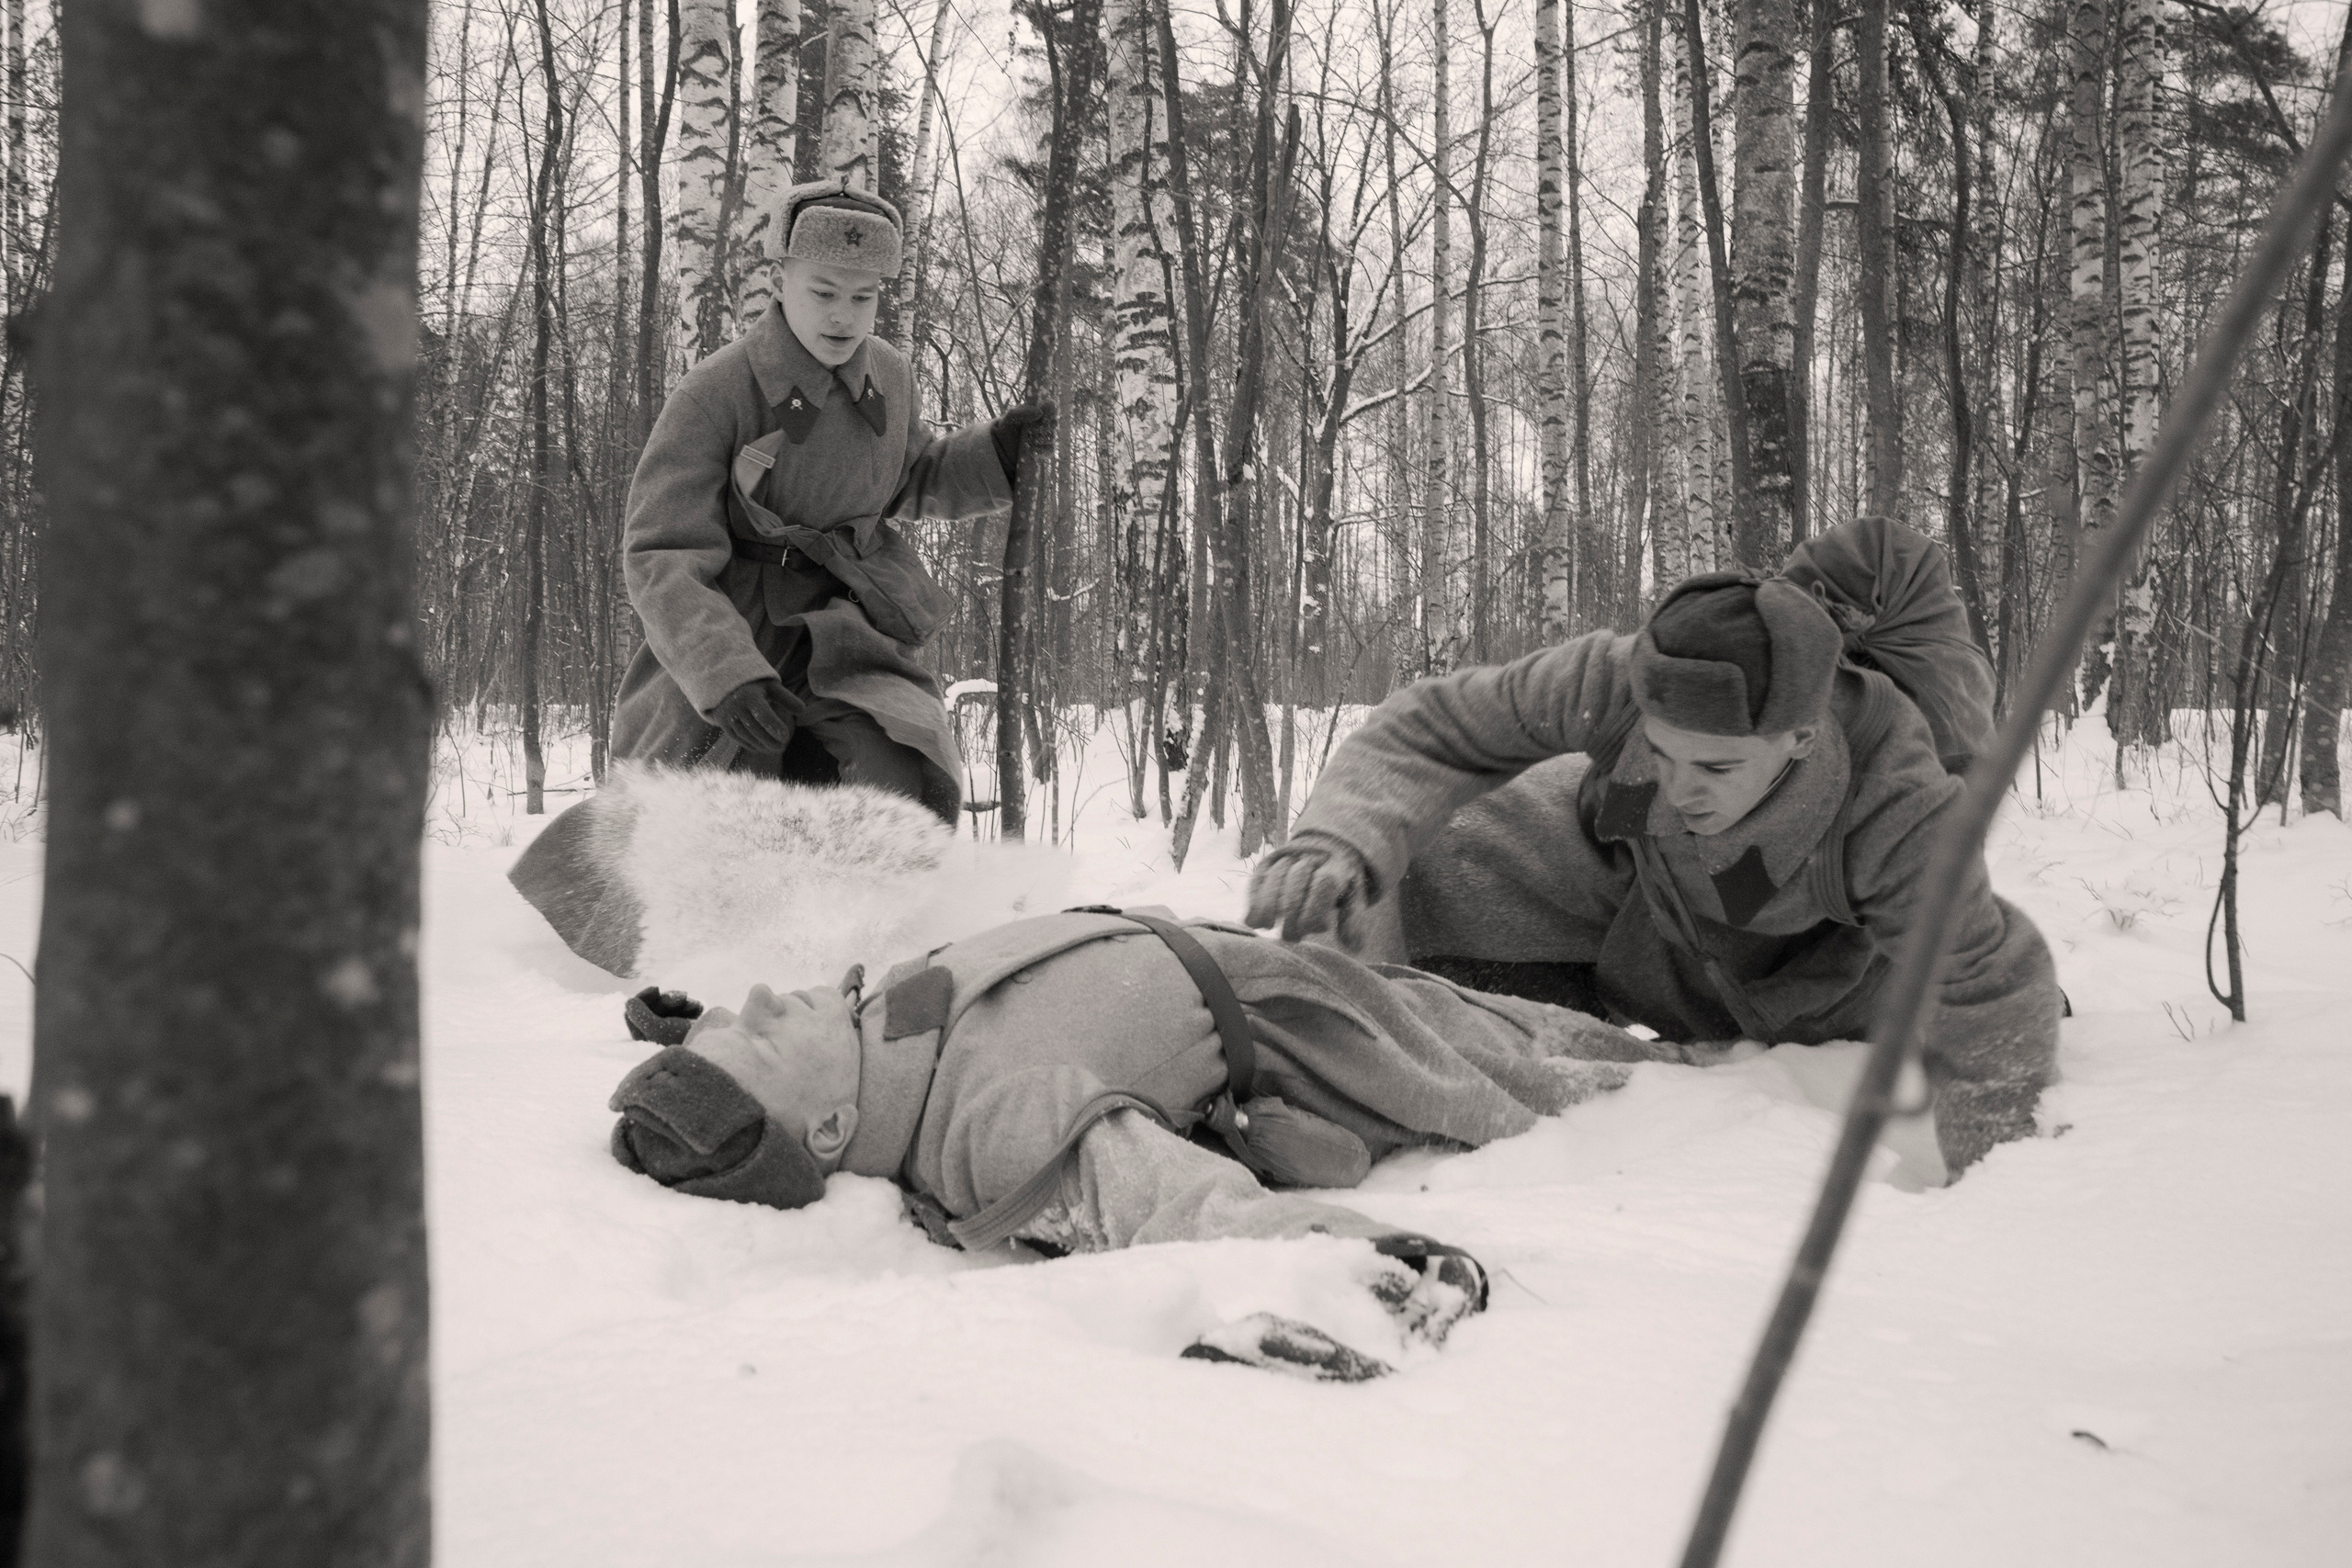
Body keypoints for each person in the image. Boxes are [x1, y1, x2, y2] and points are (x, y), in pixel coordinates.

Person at [604, 906, 1727, 1380]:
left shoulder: (857, 1038)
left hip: (1240, 956)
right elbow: (1160, 1199)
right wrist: (1344, 1262)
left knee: (1476, 1008)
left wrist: (680, 1035)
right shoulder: (991, 1121)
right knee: (1521, 1067)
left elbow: (736, 1061)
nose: (763, 998)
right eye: (757, 1036)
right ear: (831, 1130)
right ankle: (1716, 1080)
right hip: (1302, 1031)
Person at [1244, 553, 2063, 1179]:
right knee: (1418, 853)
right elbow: (1436, 725)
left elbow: (1987, 975)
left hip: (1805, 995)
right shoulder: (1623, 677)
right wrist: (1336, 841)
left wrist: (1993, 1178)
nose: (1681, 787)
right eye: (1664, 753)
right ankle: (1330, 1055)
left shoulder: (1898, 804)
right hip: (1634, 896)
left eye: (1715, 766)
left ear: (1800, 738)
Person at [609, 177, 1049, 820]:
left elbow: (912, 477)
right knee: (712, 804)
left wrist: (997, 455)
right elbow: (662, 554)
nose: (843, 315)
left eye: (863, 296)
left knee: (897, 777)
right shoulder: (715, 393)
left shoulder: (889, 375)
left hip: (847, 633)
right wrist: (724, 674)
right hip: (738, 630)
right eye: (823, 293)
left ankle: (879, 889)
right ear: (780, 280)